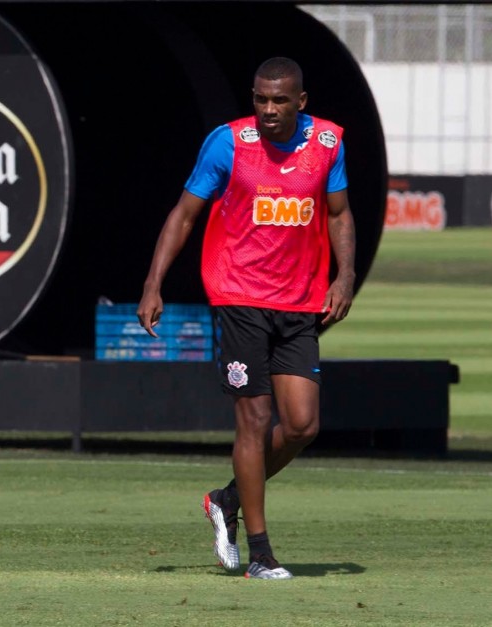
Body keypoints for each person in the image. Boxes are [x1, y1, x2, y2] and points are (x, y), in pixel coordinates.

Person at [137, 57, 355, 580]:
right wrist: (153, 283)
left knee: (302, 424)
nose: (269, 110)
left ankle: (226, 498)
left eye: (280, 101)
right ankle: (260, 554)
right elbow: (184, 214)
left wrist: (343, 277)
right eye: (260, 99)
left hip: (300, 301)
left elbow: (340, 213)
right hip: (239, 296)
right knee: (254, 421)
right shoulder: (227, 143)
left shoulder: (327, 143)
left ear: (300, 102)